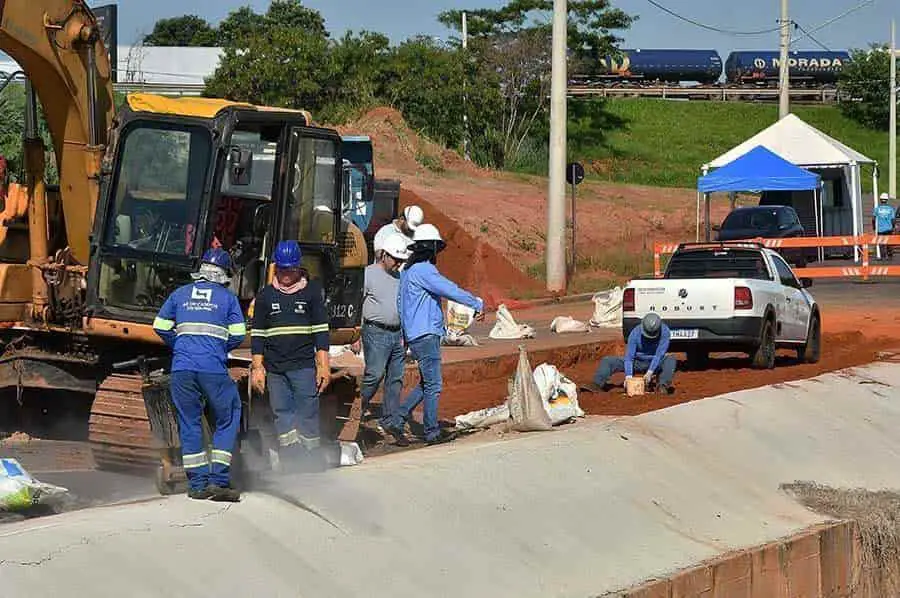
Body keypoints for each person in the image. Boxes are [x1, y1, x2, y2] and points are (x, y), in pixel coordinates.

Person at [153, 248, 246, 502]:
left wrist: (181, 344)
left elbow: (159, 326)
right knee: (229, 415)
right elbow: (238, 334)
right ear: (224, 274)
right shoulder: (227, 299)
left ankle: (197, 486)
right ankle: (219, 481)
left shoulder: (180, 294)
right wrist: (217, 347)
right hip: (213, 369)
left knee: (189, 421)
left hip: (182, 368)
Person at [387, 224, 484, 446]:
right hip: (426, 334)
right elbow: (449, 289)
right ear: (431, 249)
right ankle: (431, 432)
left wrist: (404, 335)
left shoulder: (409, 272)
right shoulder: (424, 270)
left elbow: (401, 305)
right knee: (434, 385)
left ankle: (398, 418)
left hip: (414, 334)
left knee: (427, 383)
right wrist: (476, 303)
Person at [249, 240, 330, 469]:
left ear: (298, 267)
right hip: (275, 369)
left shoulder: (312, 293)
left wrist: (323, 366)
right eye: (282, 269)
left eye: (290, 270)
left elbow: (321, 332)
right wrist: (258, 368)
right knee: (282, 413)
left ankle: (312, 458)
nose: (286, 275)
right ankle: (291, 459)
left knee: (307, 411)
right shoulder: (265, 297)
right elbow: (258, 336)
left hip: (303, 366)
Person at [360, 234, 410, 442]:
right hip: (375, 331)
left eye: (400, 260)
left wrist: (405, 334)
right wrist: (356, 333)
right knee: (374, 374)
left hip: (396, 333)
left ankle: (391, 421)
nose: (398, 264)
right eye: (395, 259)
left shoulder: (400, 276)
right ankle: (358, 408)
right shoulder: (368, 274)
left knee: (395, 379)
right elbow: (357, 302)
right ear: (383, 255)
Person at [587, 313, 676, 395]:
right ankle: (597, 383)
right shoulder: (635, 333)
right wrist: (628, 377)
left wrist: (650, 372)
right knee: (608, 361)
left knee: (671, 359)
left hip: (656, 362)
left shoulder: (665, 332)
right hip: (637, 362)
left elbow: (659, 355)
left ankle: (662, 386)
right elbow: (629, 358)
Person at [873, 193, 897, 261]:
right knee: (889, 242)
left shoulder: (877, 208)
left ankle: (883, 256)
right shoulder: (890, 209)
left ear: (880, 200)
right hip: (889, 228)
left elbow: (873, 219)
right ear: (887, 200)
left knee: (881, 243)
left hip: (880, 229)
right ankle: (889, 255)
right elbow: (893, 219)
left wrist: (874, 227)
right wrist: (894, 226)